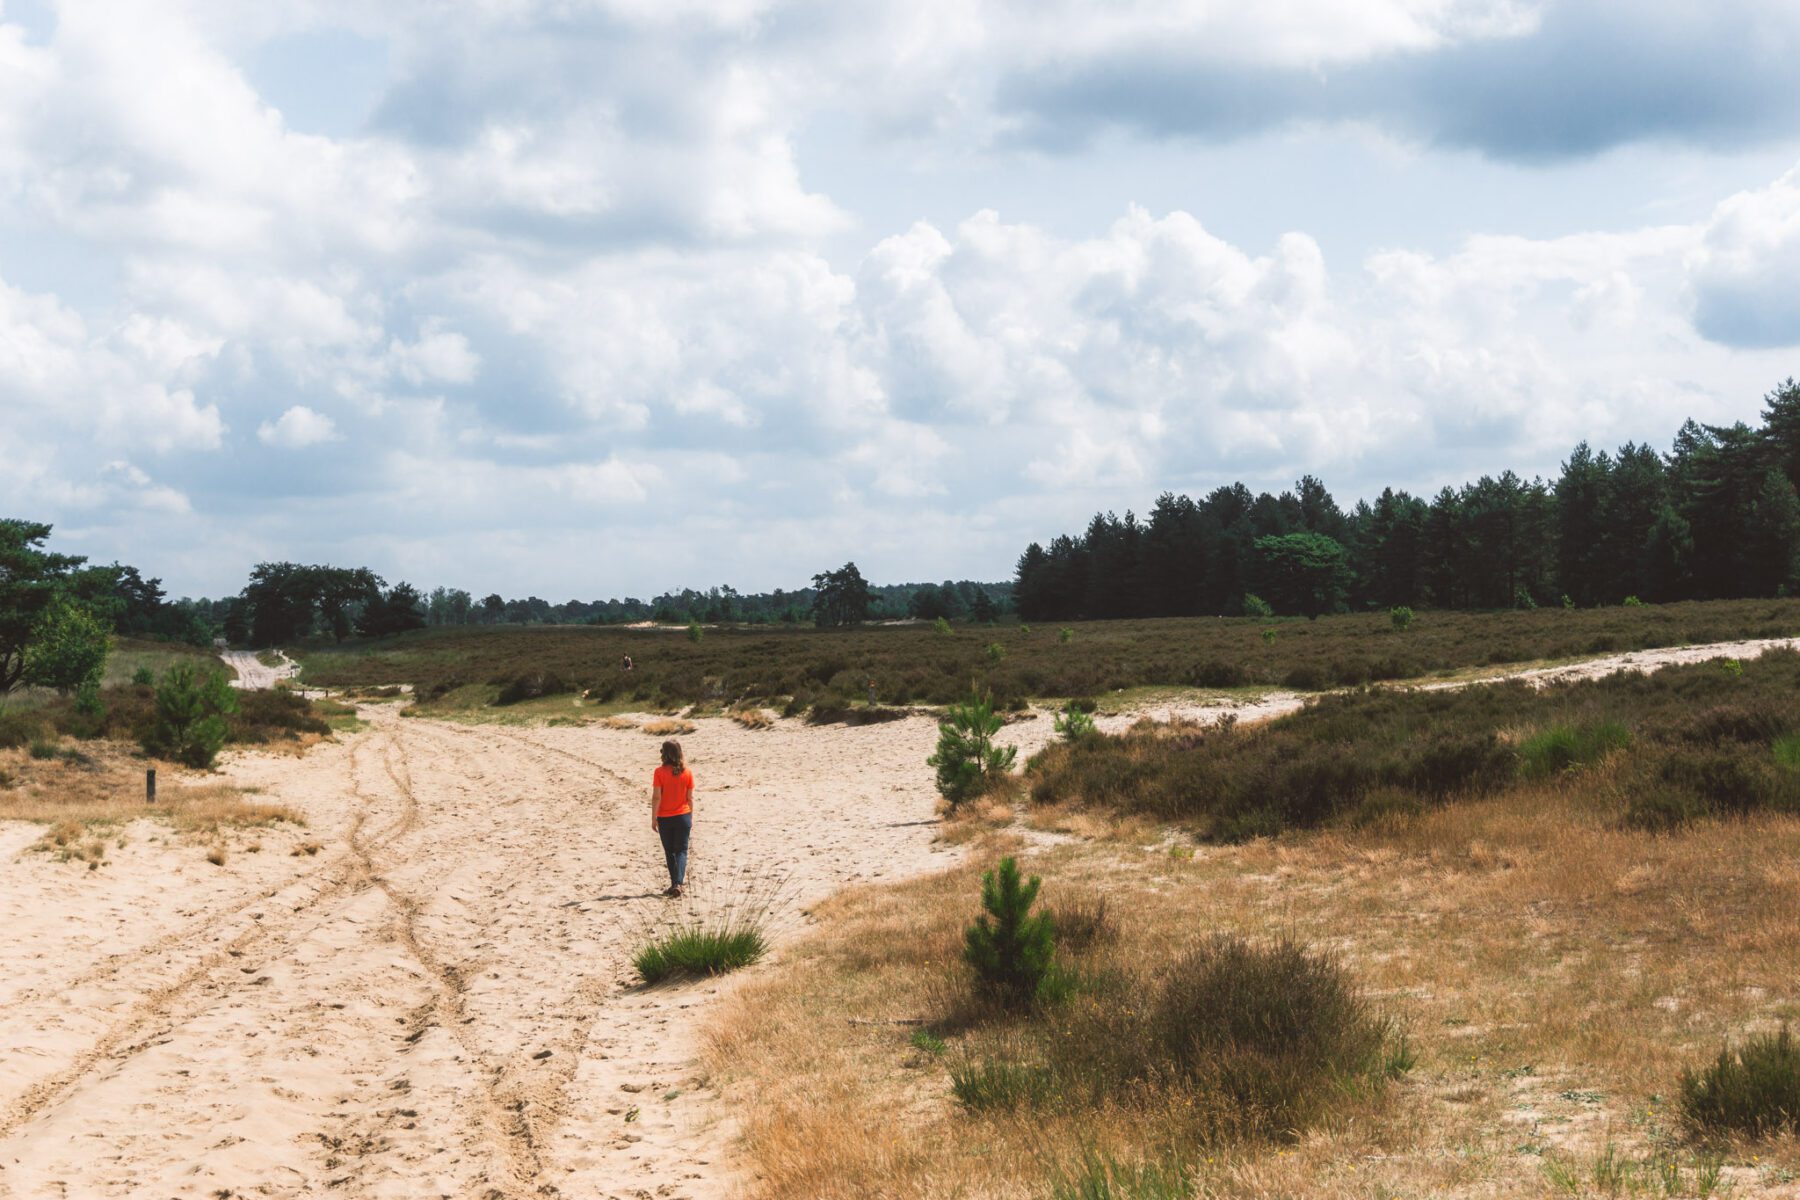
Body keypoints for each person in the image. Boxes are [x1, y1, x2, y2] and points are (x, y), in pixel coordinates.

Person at [649, 739, 694, 897]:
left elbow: (656, 797)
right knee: (681, 850)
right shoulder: (687, 772)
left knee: (670, 851)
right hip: (683, 816)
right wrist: (690, 816)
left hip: (665, 818)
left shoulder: (659, 772)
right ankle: (677, 884)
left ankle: (675, 883)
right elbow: (690, 798)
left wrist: (653, 818)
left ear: (665, 754)